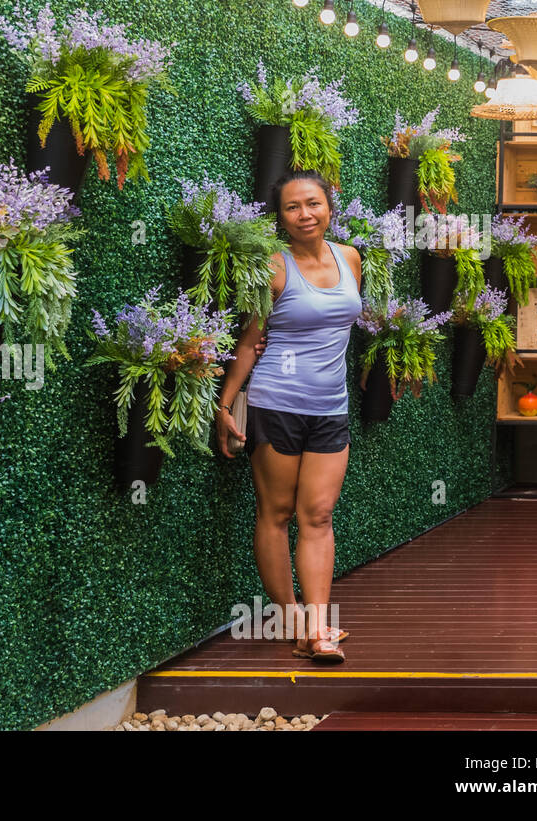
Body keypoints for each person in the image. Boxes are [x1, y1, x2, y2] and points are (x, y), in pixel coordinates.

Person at [215, 170, 363, 663]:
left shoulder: (350, 259)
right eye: (293, 207)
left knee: (318, 515)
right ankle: (295, 621)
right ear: (279, 217)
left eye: (313, 203)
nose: (305, 214)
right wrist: (224, 404)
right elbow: (249, 342)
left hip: (330, 408)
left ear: (328, 206)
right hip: (276, 405)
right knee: (276, 514)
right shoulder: (274, 269)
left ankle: (317, 626)